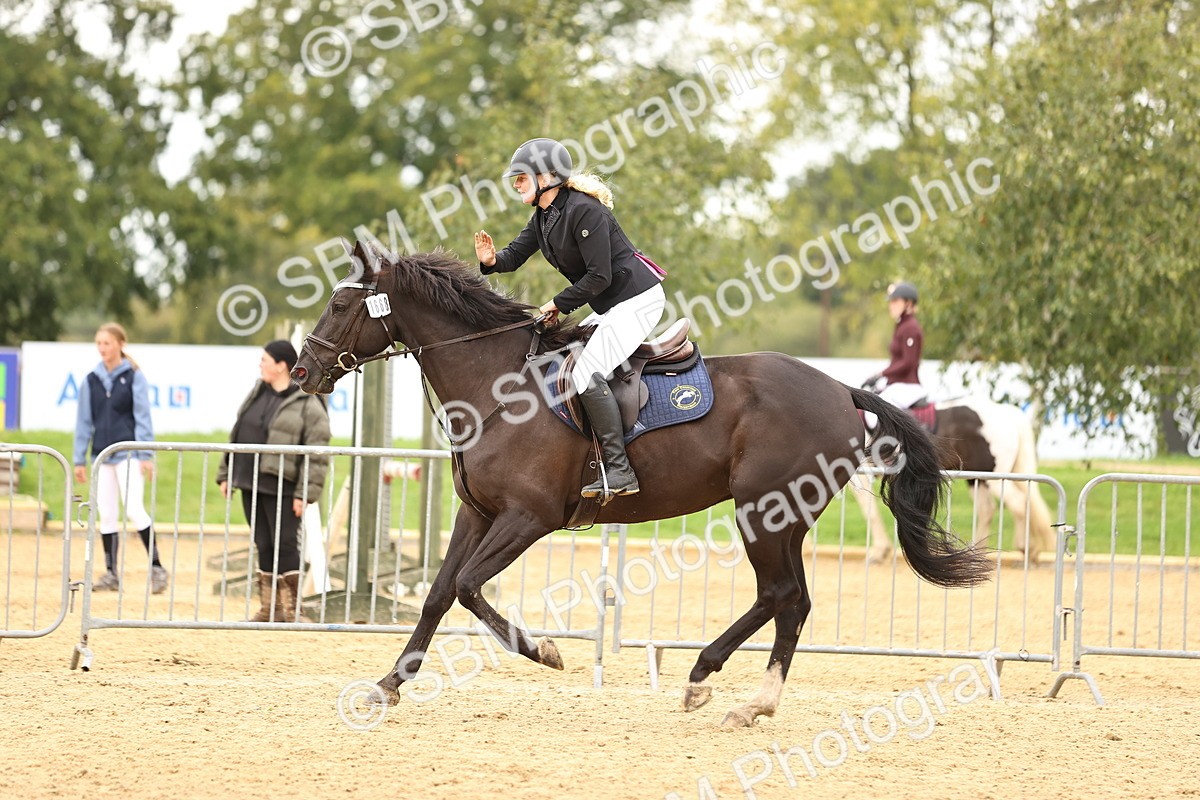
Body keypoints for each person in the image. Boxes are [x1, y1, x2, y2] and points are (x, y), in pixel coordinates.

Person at [474, 137, 666, 500]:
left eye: (521, 177)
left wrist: (557, 304)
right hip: (612, 307)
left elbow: (599, 276)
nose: (515, 183)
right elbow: (513, 256)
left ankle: (620, 470)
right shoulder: (544, 216)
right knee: (562, 362)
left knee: (584, 374)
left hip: (638, 301)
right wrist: (490, 261)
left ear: (546, 176)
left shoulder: (585, 210)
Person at [217, 340, 330, 623]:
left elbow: (316, 452)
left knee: (286, 544)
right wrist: (226, 472)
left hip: (284, 486)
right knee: (263, 543)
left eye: (265, 360)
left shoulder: (308, 400)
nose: (261, 365)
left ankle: (293, 610)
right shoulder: (257, 392)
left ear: (282, 365)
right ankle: (269, 608)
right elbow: (237, 433)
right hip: (249, 482)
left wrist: (305, 493)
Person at [73, 322, 169, 593]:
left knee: (135, 509)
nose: (103, 348)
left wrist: (146, 453)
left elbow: (142, 416)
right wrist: (79, 458)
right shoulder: (90, 380)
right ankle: (111, 573)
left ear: (120, 344)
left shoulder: (134, 375)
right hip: (102, 455)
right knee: (107, 514)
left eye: (107, 343)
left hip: (127, 453)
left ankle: (157, 567)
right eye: (99, 344)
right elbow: (83, 421)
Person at [863, 281, 925, 430]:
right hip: (896, 384)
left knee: (874, 414)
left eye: (895, 301)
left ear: (908, 304)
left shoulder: (910, 327)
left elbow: (908, 362)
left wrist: (881, 374)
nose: (891, 305)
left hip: (908, 386)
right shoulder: (902, 326)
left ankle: (891, 450)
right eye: (891, 301)